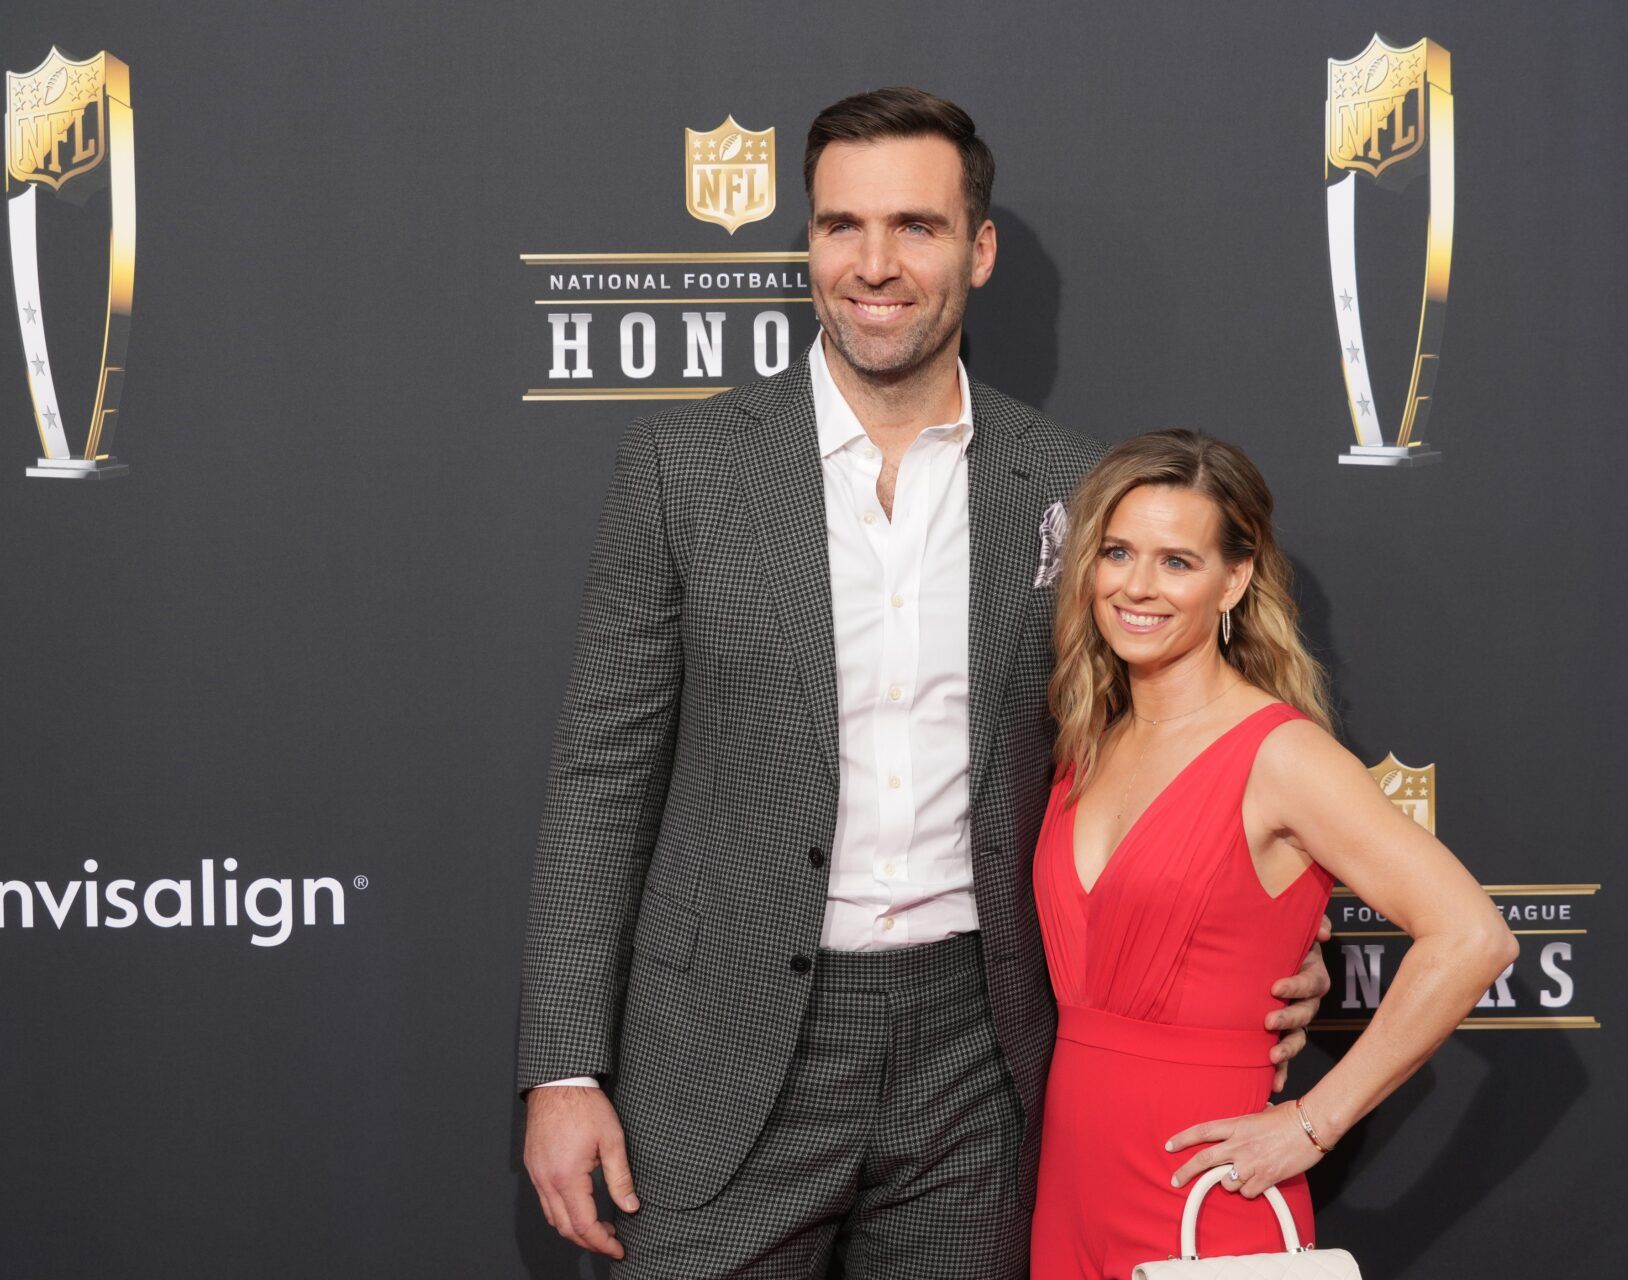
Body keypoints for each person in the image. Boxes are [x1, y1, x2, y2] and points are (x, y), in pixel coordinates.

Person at [516, 89, 1331, 1279]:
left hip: (978, 1055)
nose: (875, 264)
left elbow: (1166, 747)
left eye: (917, 226)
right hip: (718, 1056)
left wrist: (1259, 941)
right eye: (842, 226)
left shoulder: (1066, 486)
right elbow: (602, 775)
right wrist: (564, 1064)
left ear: (979, 249)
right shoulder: (684, 468)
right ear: (807, 244)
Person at [1027, 430, 1518, 1277]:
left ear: (1235, 581)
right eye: (1116, 552)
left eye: (1177, 562)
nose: (1136, 587)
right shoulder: (1088, 743)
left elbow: (1473, 937)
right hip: (1071, 1193)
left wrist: (1312, 1122)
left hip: (1206, 1199)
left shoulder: (1282, 757)